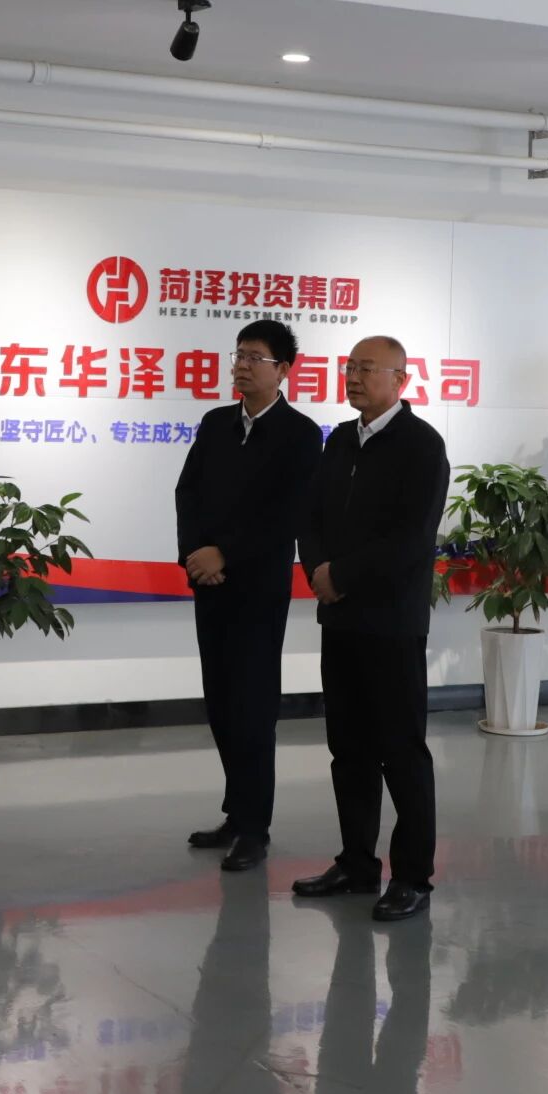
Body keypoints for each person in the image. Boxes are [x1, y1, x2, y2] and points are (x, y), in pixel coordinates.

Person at [293, 335, 448, 922]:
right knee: (348, 749)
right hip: (341, 617)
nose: (353, 377)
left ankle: (413, 877)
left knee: (401, 751)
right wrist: (318, 570)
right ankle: (357, 863)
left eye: (366, 369)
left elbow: (412, 538)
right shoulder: (339, 440)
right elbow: (311, 516)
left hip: (391, 621)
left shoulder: (421, 445)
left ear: (400, 379)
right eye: (349, 367)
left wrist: (343, 574)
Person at [173, 317, 324, 873]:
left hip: (258, 589)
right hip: (210, 586)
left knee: (253, 707)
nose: (240, 365)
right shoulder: (215, 423)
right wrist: (195, 555)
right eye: (238, 355)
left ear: (283, 370)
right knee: (219, 702)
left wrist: (226, 554)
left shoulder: (300, 434)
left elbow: (288, 514)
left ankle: (255, 828)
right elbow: (187, 493)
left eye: (254, 357)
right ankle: (236, 813)